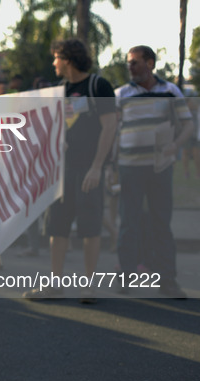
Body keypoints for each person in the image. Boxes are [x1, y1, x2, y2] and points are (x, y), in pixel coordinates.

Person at [23, 39, 117, 303]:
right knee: (57, 227)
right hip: (62, 171)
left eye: (56, 57)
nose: (53, 63)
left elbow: (110, 127)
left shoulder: (99, 85)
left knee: (90, 227)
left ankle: (89, 286)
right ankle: (55, 284)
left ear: (68, 58)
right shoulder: (58, 91)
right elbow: (54, 127)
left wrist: (97, 167)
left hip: (90, 170)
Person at [114, 45, 193, 298]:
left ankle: (167, 280)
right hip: (129, 167)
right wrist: (110, 166)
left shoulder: (170, 91)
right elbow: (112, 131)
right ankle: (126, 277)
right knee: (128, 222)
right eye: (129, 63)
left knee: (161, 223)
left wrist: (175, 146)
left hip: (160, 168)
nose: (130, 67)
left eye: (135, 62)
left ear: (150, 63)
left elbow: (188, 125)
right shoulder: (121, 94)